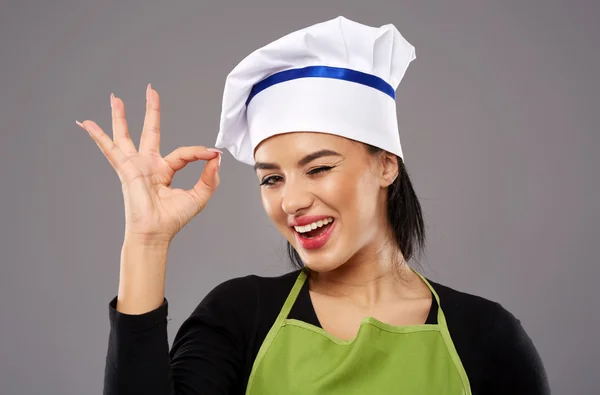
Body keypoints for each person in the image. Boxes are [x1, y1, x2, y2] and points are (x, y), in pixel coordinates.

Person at [78, 16, 550, 395]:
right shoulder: (239, 316)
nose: (292, 200)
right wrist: (146, 241)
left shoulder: (488, 336)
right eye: (271, 178)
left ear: (386, 165)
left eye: (319, 168)